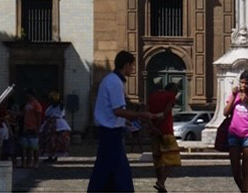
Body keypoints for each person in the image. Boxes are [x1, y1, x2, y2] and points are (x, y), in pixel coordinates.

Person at [88, 50, 162, 193]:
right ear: (126, 65)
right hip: (111, 133)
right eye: (132, 65)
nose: (133, 68)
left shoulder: (109, 79)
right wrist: (142, 114)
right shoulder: (115, 82)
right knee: (117, 170)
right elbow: (118, 110)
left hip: (109, 131)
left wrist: (126, 123)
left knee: (107, 170)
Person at [224, 69, 248, 193]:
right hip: (233, 134)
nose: (243, 86)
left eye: (246, 83)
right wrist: (234, 97)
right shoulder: (234, 95)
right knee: (235, 170)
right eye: (241, 83)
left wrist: (247, 102)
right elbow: (225, 112)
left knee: (246, 169)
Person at [147, 79, 181, 193]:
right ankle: (161, 182)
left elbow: (147, 113)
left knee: (158, 159)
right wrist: (159, 127)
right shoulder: (170, 97)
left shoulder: (151, 96)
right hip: (165, 131)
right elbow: (166, 113)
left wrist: (153, 127)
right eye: (175, 93)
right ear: (173, 91)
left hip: (154, 133)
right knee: (173, 159)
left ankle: (161, 186)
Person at [40, 91, 71, 162]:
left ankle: (56, 155)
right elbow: (47, 114)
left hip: (58, 124)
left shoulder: (60, 107)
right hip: (50, 124)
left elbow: (61, 114)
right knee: (49, 140)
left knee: (57, 141)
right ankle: (49, 155)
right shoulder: (50, 107)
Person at [21, 89, 44, 169]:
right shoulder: (27, 104)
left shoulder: (36, 104)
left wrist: (38, 127)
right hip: (26, 127)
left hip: (33, 127)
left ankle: (35, 162)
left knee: (34, 147)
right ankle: (27, 162)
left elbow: (39, 117)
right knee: (25, 146)